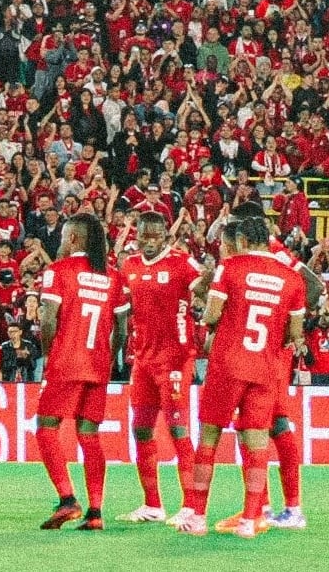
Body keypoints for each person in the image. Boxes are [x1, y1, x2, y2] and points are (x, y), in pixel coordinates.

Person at [178, 209, 305, 539]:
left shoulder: (231, 267)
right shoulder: (291, 277)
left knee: (209, 438)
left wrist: (216, 319)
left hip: (228, 364)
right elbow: (295, 333)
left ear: (243, 240)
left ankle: (197, 516)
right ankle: (251, 519)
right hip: (266, 367)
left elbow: (211, 314)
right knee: (258, 442)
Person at [35, 212, 131, 531]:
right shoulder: (113, 276)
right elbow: (122, 330)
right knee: (89, 435)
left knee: (46, 428)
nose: (61, 242)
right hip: (98, 365)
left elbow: (48, 320)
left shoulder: (58, 270)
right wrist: (108, 358)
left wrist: (49, 356)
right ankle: (96, 511)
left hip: (66, 362)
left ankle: (67, 499)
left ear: (73, 238)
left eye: (63, 236)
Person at [117, 211, 207, 525]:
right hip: (142, 361)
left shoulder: (182, 263)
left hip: (175, 359)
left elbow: (208, 289)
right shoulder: (130, 265)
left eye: (156, 236)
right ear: (137, 235)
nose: (150, 241)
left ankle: (191, 505)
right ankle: (152, 505)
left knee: (178, 429)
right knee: (140, 428)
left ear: (166, 236)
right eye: (144, 235)